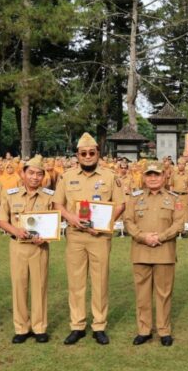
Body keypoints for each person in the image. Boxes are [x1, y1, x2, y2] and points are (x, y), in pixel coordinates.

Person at [52, 133, 125, 346]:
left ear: (97, 154)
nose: (87, 156)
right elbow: (58, 205)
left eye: (91, 153)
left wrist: (104, 224)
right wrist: (72, 219)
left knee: (100, 281)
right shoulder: (66, 177)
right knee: (76, 282)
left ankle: (99, 326)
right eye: (83, 153)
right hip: (75, 236)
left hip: (100, 237)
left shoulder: (110, 177)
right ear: (77, 155)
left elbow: (120, 204)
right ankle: (77, 325)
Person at [124, 161, 187, 346]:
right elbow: (128, 221)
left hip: (164, 251)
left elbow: (178, 223)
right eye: (149, 174)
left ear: (164, 177)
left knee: (164, 293)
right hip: (140, 251)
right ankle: (144, 330)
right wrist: (143, 237)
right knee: (142, 294)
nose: (153, 178)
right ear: (144, 177)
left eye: (156, 174)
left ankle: (164, 330)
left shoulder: (174, 199)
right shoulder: (134, 198)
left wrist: (160, 237)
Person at [0, 155, 55, 344]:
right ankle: (21, 327)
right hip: (18, 246)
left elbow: (55, 221)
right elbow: (1, 219)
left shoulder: (49, 196)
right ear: (23, 174)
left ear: (43, 177)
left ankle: (39, 327)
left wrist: (47, 236)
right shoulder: (10, 194)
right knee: (19, 287)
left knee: (39, 287)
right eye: (31, 173)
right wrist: (15, 230)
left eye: (39, 174)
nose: (35, 177)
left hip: (40, 247)